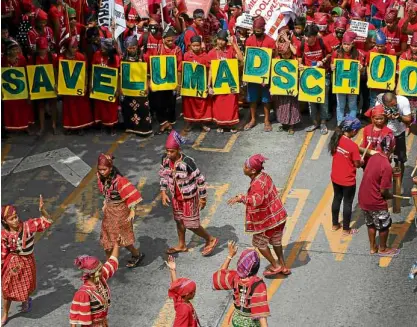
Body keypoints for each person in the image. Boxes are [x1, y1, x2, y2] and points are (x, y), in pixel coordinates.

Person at [228, 154, 290, 276]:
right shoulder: (265, 176)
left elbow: (257, 200)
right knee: (276, 241)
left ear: (252, 170)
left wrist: (241, 198)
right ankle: (283, 265)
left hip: (267, 222)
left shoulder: (257, 184)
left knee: (259, 244)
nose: (243, 167)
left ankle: (275, 265)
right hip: (278, 217)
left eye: (245, 166)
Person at [159, 130, 218, 256]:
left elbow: (200, 179)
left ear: (178, 149)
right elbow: (163, 176)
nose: (169, 154)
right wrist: (163, 192)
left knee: (191, 224)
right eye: (167, 151)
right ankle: (181, 245)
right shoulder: (164, 160)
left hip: (189, 198)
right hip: (176, 197)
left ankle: (210, 239)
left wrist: (203, 198)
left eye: (172, 151)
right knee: (179, 221)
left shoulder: (187, 162)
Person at [1, 196, 52, 326]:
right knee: (7, 289)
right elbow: (3, 253)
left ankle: (25, 301)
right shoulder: (4, 235)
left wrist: (42, 210)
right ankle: (5, 314)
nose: (16, 220)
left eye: (16, 216)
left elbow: (47, 221)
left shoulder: (28, 226)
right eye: (11, 219)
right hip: (13, 263)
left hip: (27, 262)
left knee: (26, 286)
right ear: (5, 221)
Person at [96, 153, 145, 268]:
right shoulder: (101, 177)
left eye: (104, 169)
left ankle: (135, 255)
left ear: (110, 168)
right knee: (107, 236)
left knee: (121, 237)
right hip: (109, 211)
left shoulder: (120, 180)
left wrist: (132, 210)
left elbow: (131, 195)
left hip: (121, 212)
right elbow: (106, 192)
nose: (102, 172)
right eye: (100, 169)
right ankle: (110, 263)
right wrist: (105, 202)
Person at [358, 135, 400, 257]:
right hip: (376, 202)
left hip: (363, 199)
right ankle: (383, 248)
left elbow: (376, 172)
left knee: (370, 224)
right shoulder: (386, 165)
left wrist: (390, 171)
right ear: (392, 148)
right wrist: (391, 196)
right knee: (384, 226)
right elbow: (383, 191)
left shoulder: (374, 156)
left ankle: (372, 247)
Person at [212, 242, 270, 327]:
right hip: (251, 323)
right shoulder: (258, 284)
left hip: (237, 320)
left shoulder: (235, 277)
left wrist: (230, 255)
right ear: (257, 267)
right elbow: (261, 312)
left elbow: (221, 275)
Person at [69, 237, 121, 327]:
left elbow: (112, 262)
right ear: (93, 274)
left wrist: (117, 245)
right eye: (100, 270)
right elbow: (74, 318)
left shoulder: (100, 279)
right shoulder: (83, 293)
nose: (103, 271)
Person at [144, 26, 182, 134]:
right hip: (159, 83)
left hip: (171, 82)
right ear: (163, 39)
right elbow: (151, 65)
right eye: (168, 40)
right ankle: (163, 123)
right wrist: (150, 81)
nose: (171, 42)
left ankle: (169, 124)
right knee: (158, 103)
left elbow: (179, 68)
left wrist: (178, 84)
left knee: (171, 104)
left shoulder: (177, 50)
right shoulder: (157, 49)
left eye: (172, 40)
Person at [328, 117, 363, 235]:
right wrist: (361, 161)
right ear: (353, 131)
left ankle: (334, 224)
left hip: (335, 176)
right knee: (348, 203)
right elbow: (357, 164)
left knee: (337, 198)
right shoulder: (353, 146)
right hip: (348, 180)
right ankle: (346, 229)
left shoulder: (336, 138)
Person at [243, 16, 276, 132]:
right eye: (255, 31)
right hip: (252, 75)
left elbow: (273, 59)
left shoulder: (271, 41)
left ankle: (267, 120)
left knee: (266, 99)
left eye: (259, 31)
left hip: (265, 76)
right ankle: (253, 119)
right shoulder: (249, 40)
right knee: (252, 98)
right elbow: (248, 58)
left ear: (263, 29)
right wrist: (246, 75)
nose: (257, 33)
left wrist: (269, 76)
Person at [207, 30, 243, 133]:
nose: (220, 42)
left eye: (223, 40)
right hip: (219, 83)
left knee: (231, 104)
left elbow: (241, 59)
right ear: (216, 39)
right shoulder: (212, 53)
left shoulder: (231, 50)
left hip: (230, 82)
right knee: (219, 105)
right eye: (219, 39)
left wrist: (234, 44)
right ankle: (221, 124)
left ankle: (232, 125)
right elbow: (211, 70)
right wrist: (209, 85)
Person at [298, 24, 330, 135]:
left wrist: (323, 61)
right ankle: (315, 123)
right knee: (311, 102)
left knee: (323, 101)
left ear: (315, 36)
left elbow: (330, 54)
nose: (306, 39)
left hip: (322, 75)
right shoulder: (302, 43)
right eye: (305, 36)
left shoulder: (322, 42)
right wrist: (300, 64)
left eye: (309, 37)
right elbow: (298, 56)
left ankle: (323, 122)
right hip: (308, 76)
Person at [59, 36, 93, 135]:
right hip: (67, 88)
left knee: (80, 107)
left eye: (76, 47)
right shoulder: (61, 58)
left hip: (79, 86)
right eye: (72, 47)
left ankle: (81, 126)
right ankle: (70, 126)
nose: (75, 49)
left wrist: (86, 84)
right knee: (69, 107)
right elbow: (57, 71)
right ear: (67, 48)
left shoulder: (81, 57)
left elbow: (85, 72)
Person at [121, 35, 153, 137]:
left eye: (133, 47)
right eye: (129, 48)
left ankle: (144, 129)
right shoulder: (123, 59)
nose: (132, 50)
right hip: (128, 89)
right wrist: (120, 88)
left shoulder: (142, 58)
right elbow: (121, 75)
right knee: (128, 108)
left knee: (143, 108)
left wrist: (147, 86)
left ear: (137, 47)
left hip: (140, 87)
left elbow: (147, 74)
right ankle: (131, 128)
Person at [330, 31, 365, 125]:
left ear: (352, 44)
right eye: (344, 44)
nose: (346, 46)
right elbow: (332, 66)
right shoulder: (336, 53)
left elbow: (362, 70)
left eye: (348, 44)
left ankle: (351, 123)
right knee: (340, 105)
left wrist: (361, 69)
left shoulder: (358, 54)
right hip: (340, 84)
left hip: (352, 84)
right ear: (342, 44)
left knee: (352, 105)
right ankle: (340, 123)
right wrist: (332, 67)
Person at [376, 92, 412, 182]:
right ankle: (383, 182)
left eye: (394, 105)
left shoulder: (403, 101)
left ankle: (398, 183)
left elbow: (408, 120)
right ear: (384, 104)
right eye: (390, 106)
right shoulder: (378, 104)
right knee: (383, 159)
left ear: (396, 98)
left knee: (399, 160)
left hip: (399, 134)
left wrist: (399, 117)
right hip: (385, 134)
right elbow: (376, 121)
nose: (393, 107)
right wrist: (386, 118)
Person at [1, 40, 34, 133]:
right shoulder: (3, 60)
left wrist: (28, 90)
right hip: (8, 89)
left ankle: (25, 126)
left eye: (17, 49)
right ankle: (12, 127)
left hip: (21, 87)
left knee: (23, 107)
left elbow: (26, 73)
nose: (16, 51)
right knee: (10, 107)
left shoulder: (22, 59)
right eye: (14, 49)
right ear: (8, 51)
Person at [182, 35, 212, 132]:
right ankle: (190, 122)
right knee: (190, 104)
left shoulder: (205, 56)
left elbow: (208, 70)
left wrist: (208, 84)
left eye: (198, 45)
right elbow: (183, 70)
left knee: (202, 104)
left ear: (200, 45)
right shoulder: (186, 55)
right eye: (194, 46)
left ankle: (202, 123)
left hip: (201, 84)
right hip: (190, 85)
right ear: (190, 46)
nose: (196, 47)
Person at [91, 38, 121, 135]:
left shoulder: (115, 58)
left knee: (111, 107)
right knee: (100, 106)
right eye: (101, 48)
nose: (101, 50)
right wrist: (91, 84)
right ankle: (102, 124)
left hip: (111, 86)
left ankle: (112, 126)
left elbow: (118, 74)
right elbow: (93, 70)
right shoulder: (96, 54)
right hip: (99, 85)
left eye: (104, 48)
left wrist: (117, 88)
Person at [30, 36, 59, 135]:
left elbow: (55, 71)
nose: (42, 51)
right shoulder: (33, 58)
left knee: (53, 106)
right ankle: (42, 127)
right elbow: (31, 73)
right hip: (39, 85)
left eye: (44, 49)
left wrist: (56, 84)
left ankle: (54, 125)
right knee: (41, 107)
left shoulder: (52, 57)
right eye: (40, 49)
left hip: (51, 84)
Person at [273, 41, 301, 135]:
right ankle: (284, 123)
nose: (286, 55)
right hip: (281, 89)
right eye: (284, 54)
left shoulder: (295, 59)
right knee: (281, 106)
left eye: (288, 53)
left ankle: (292, 125)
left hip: (292, 88)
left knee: (292, 106)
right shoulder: (277, 60)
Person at [165, 256, 200, 327]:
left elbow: (176, 287)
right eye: (193, 292)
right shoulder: (184, 310)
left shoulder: (179, 297)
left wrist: (172, 270)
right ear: (187, 294)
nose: (194, 293)